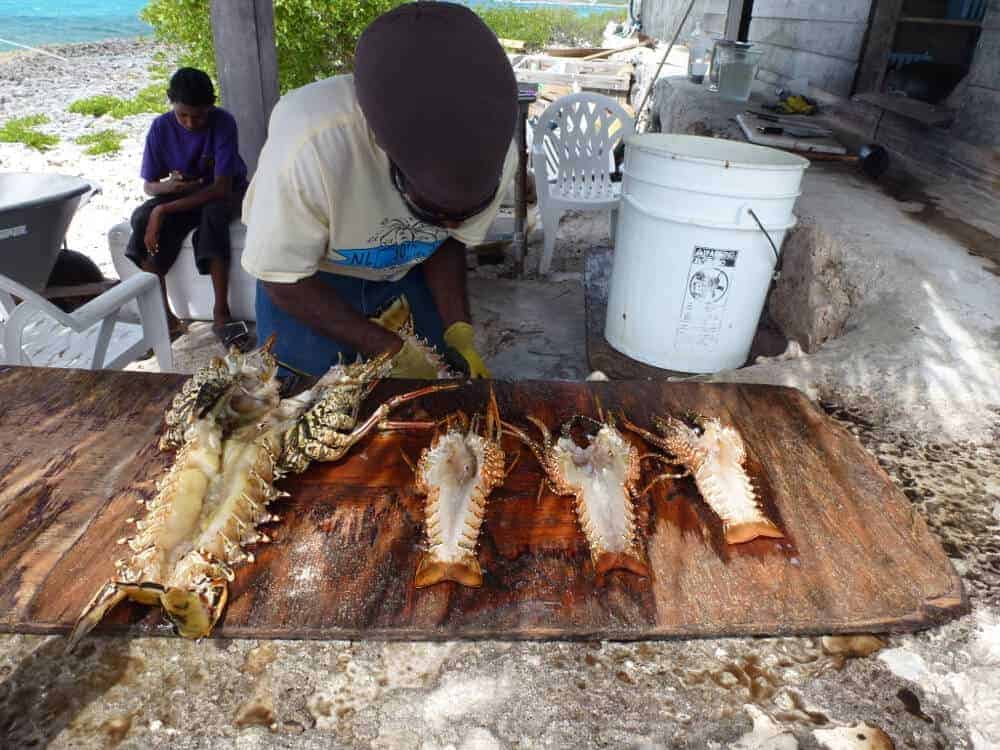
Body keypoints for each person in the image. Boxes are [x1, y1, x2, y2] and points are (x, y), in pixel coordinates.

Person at [241, 2, 517, 379]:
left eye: (463, 212)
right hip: (307, 279)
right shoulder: (310, 146)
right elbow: (281, 279)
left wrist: (458, 329)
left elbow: (449, 240)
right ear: (386, 154)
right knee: (303, 390)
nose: (449, 222)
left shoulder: (499, 152)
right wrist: (390, 348)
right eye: (434, 212)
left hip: (409, 266)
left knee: (442, 382)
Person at [126, 67, 251, 349]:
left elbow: (221, 187)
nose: (191, 123)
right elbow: (150, 186)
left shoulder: (223, 123)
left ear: (211, 106)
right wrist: (167, 189)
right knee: (142, 216)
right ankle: (163, 317)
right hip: (184, 194)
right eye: (183, 115)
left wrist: (164, 210)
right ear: (171, 103)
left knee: (213, 216)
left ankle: (222, 314)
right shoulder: (161, 127)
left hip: (225, 193)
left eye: (198, 116)